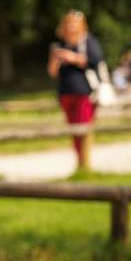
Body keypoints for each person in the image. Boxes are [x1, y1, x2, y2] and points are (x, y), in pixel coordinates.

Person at [47, 10, 103, 168]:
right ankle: (80, 162)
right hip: (66, 93)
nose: (71, 26)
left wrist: (72, 57)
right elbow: (52, 72)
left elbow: (96, 60)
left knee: (84, 127)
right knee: (73, 130)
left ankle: (85, 163)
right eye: (68, 23)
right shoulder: (59, 46)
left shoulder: (87, 42)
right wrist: (57, 58)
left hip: (84, 93)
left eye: (74, 23)